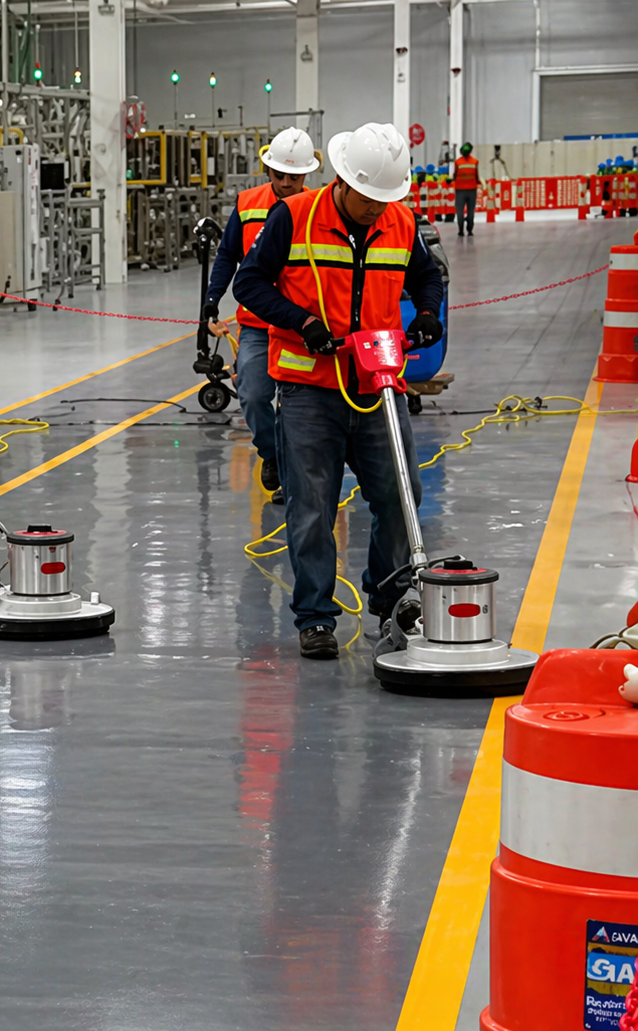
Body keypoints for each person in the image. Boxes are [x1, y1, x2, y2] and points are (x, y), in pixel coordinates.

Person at [232, 122, 444, 661]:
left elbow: (427, 276)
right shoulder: (294, 217)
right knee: (311, 509)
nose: (376, 209)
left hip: (378, 387)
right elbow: (249, 283)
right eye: (368, 198)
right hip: (309, 391)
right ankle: (315, 617)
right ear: (344, 182)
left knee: (400, 496)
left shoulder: (400, 221)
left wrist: (426, 312)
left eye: (384, 199)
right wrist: (302, 322)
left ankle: (390, 599)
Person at [203, 127, 320, 503]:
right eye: (279, 175)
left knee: (299, 408)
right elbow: (227, 255)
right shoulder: (248, 204)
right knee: (253, 396)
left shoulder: (318, 209)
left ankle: (292, 476)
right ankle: (271, 453)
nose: (286, 183)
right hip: (257, 325)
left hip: (301, 326)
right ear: (267, 169)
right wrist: (212, 298)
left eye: (294, 177)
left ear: (306, 174)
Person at [454, 142, 480, 237]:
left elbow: (455, 175)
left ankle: (461, 230)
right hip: (472, 189)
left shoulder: (457, 162)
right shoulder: (475, 161)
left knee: (460, 211)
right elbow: (476, 176)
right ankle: (470, 230)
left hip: (460, 190)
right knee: (470, 211)